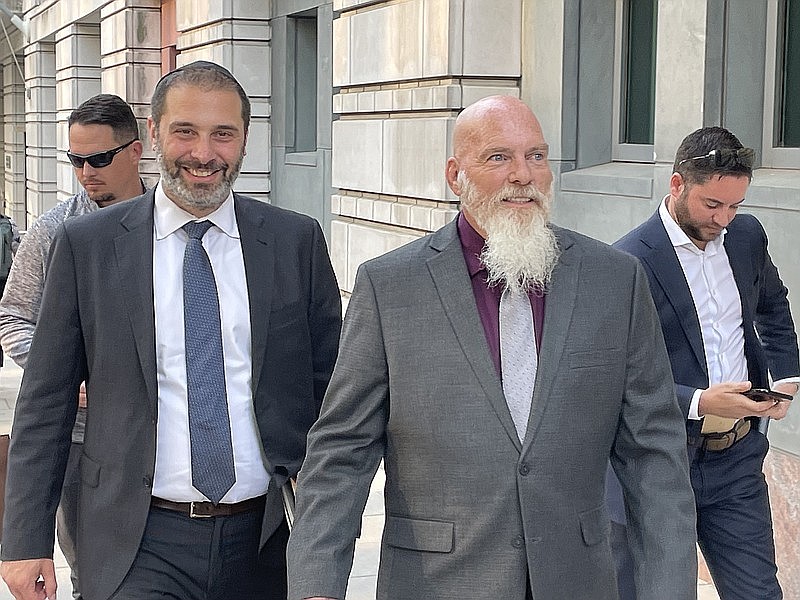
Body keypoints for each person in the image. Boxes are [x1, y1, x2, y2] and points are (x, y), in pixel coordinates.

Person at [286, 95, 697, 600]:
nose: (523, 175)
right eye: (499, 157)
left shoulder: (613, 279)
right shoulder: (391, 286)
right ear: (455, 175)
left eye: (537, 156)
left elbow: (655, 454)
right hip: (437, 583)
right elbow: (342, 451)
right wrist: (315, 586)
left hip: (578, 579)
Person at [0, 61, 342, 600]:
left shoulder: (295, 243)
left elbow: (333, 400)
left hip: (266, 542)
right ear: (153, 134)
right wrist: (24, 538)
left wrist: (326, 544)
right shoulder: (87, 246)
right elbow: (45, 402)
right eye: (186, 131)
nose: (204, 154)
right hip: (136, 542)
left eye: (222, 134)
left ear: (245, 142)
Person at [607, 126, 799, 600]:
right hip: (658, 464)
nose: (725, 219)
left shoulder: (747, 236)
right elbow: (613, 379)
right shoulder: (627, 261)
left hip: (736, 458)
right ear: (677, 185)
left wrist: (785, 376)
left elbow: (773, 305)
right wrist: (696, 401)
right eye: (713, 205)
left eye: (735, 206)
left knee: (758, 593)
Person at [0, 93, 146, 599]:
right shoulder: (53, 231)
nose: (86, 171)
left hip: (166, 431)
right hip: (85, 436)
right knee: (94, 568)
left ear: (136, 149)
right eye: (76, 160)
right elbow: (13, 317)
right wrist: (66, 374)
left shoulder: (173, 227)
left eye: (99, 158)